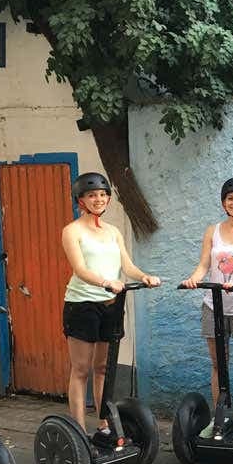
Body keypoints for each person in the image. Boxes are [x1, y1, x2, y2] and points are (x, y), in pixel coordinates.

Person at [62, 172, 160, 446]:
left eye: (103, 195)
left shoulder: (113, 231)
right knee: (81, 369)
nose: (99, 199)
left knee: (104, 367)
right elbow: (80, 269)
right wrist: (106, 281)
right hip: (82, 305)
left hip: (112, 305)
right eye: (92, 195)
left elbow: (126, 266)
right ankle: (79, 432)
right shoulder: (72, 231)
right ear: (81, 200)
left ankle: (104, 425)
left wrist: (143, 277)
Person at [180, 177, 233, 442]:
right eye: (230, 198)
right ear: (223, 202)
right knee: (219, 364)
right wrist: (193, 278)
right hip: (214, 305)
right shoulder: (213, 231)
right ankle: (221, 418)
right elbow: (204, 264)